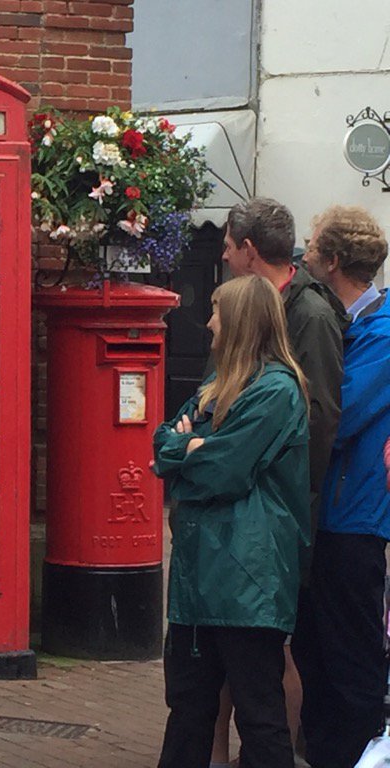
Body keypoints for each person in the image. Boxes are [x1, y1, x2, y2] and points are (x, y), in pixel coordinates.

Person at [154, 275, 310, 768]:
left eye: (217, 311)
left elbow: (226, 469)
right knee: (187, 712)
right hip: (198, 581)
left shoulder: (277, 392)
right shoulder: (213, 387)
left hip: (247, 581)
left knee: (259, 717)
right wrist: (189, 449)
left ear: (241, 321)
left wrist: (193, 450)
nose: (208, 322)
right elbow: (162, 445)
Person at [213, 197, 346, 766]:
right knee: (232, 647)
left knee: (277, 649)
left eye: (225, 245)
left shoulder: (309, 315)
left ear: (247, 251)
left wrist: (280, 498)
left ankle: (272, 755)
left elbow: (317, 423)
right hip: (244, 510)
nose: (220, 255)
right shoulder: (254, 305)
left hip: (279, 513)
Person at [294, 205, 390, 768]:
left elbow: (338, 414)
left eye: (311, 245)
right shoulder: (350, 326)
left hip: (354, 517)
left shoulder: (380, 335)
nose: (304, 253)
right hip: (327, 513)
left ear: (331, 261)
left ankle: (354, 753)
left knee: (350, 652)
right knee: (316, 646)